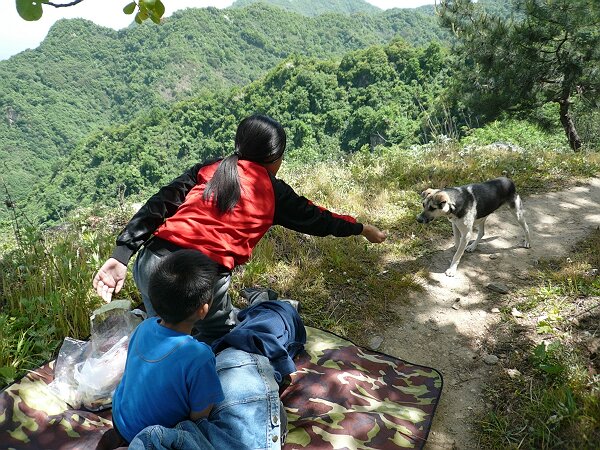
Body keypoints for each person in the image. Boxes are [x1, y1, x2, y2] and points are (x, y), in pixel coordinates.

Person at [93, 114, 386, 342]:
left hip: (151, 266)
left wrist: (121, 255)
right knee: (220, 343)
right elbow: (320, 219)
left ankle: (154, 378)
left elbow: (159, 204)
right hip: (200, 279)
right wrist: (361, 229)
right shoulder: (274, 192)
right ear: (275, 159)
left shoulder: (210, 168)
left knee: (163, 335)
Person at [97, 249, 224, 449]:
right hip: (153, 439)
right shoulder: (200, 357)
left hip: (120, 422)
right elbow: (200, 417)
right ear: (203, 310)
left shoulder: (144, 326)